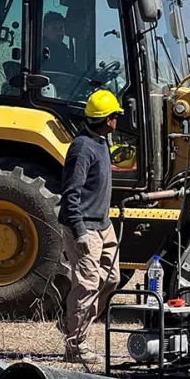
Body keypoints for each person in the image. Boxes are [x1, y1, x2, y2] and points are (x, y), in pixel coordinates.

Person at [58, 90, 123, 364]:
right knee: (86, 286)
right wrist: (79, 231)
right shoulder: (82, 148)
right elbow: (70, 193)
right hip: (85, 226)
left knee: (111, 279)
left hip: (103, 224)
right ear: (108, 120)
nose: (118, 120)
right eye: (116, 115)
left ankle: (70, 322)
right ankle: (75, 346)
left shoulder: (101, 142)